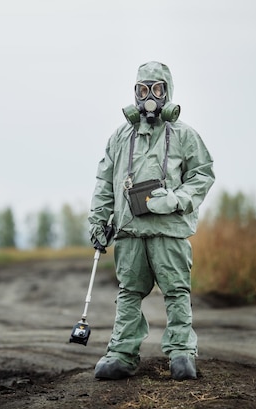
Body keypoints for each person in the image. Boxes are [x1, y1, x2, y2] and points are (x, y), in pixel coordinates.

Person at [88, 61, 215, 381]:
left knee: (176, 291)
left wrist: (177, 199)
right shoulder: (120, 137)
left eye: (157, 89)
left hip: (169, 230)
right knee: (129, 292)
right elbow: (105, 182)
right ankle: (122, 354)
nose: (150, 97)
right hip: (130, 231)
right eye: (143, 90)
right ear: (134, 92)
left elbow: (202, 175)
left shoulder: (184, 135)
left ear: (167, 92)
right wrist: (98, 220)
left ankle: (182, 353)